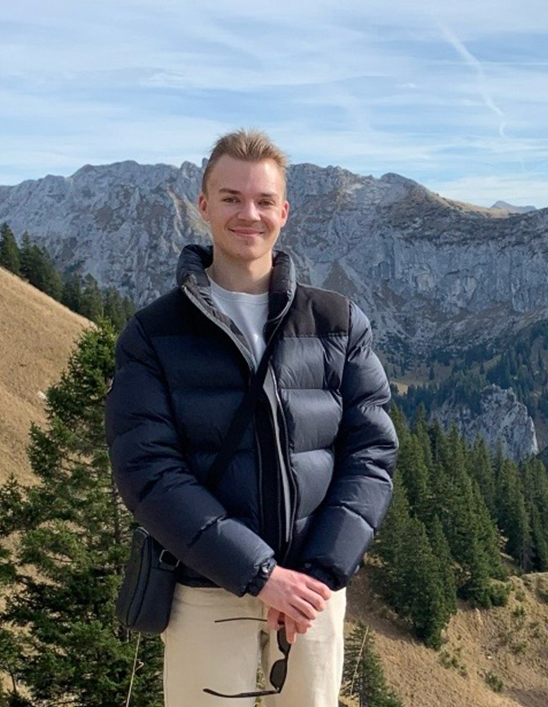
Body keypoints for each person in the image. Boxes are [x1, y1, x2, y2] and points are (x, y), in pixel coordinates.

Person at [106, 129, 398, 705]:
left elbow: (371, 454)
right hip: (206, 593)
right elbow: (148, 472)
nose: (249, 214)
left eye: (264, 201)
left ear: (284, 212)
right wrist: (260, 574)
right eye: (232, 198)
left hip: (313, 595)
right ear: (203, 205)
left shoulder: (337, 322)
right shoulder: (153, 334)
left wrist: (321, 570)